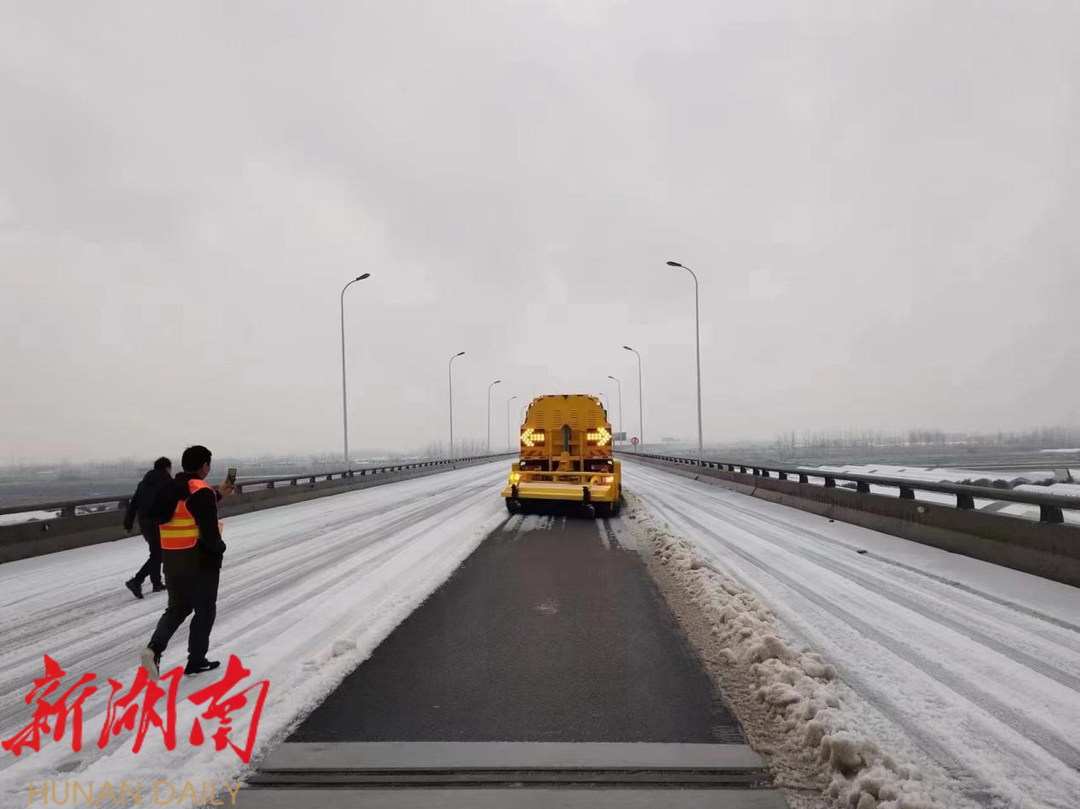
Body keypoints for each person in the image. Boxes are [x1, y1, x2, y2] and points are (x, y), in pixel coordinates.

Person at [140, 445, 234, 678]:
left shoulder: (169, 488)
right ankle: (196, 660)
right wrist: (220, 547)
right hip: (200, 560)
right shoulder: (201, 490)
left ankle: (154, 649)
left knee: (178, 608)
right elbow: (209, 531)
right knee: (205, 610)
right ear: (204, 466)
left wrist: (219, 493)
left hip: (173, 559)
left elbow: (185, 507)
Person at [123, 457, 173, 599]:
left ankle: (156, 583)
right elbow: (172, 503)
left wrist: (128, 524)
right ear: (167, 468)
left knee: (155, 552)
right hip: (159, 522)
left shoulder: (143, 483)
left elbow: (133, 504)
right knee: (160, 554)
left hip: (144, 523)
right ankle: (137, 580)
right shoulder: (167, 482)